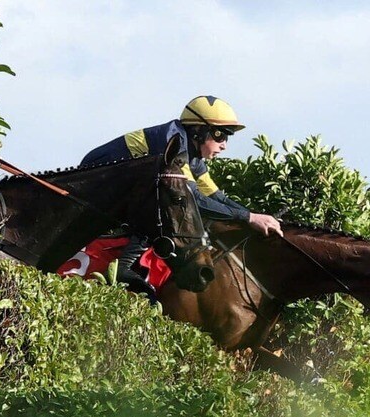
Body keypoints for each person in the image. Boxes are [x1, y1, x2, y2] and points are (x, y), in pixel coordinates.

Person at [81, 95, 283, 293]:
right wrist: (248, 217)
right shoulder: (174, 142)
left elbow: (216, 196)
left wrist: (255, 217)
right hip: (95, 182)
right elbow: (195, 200)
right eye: (220, 135)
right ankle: (123, 266)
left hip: (122, 185)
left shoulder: (194, 157)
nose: (224, 145)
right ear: (198, 131)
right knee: (165, 203)